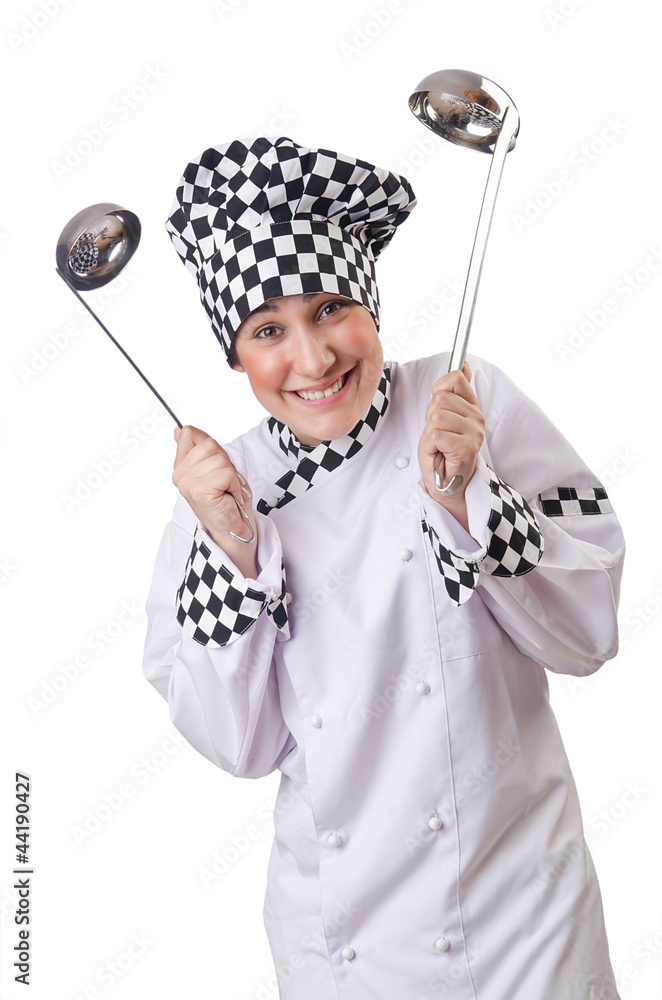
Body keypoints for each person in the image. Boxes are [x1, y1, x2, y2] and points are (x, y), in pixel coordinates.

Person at [143, 136, 625, 1000]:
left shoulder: (465, 399)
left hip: (526, 917)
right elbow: (235, 745)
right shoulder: (223, 488)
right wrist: (234, 551)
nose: (314, 359)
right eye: (268, 331)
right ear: (234, 353)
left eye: (331, 308)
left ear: (369, 300)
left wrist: (471, 498)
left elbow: (589, 633)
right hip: (344, 942)